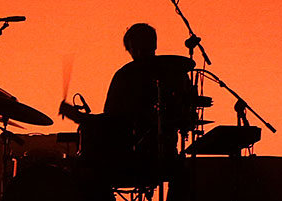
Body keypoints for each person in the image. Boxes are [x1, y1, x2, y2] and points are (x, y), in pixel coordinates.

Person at [60, 23, 197, 187]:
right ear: (129, 50)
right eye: (135, 49)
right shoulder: (126, 76)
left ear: (154, 45)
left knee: (185, 173)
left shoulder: (170, 74)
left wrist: (79, 118)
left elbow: (111, 119)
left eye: (143, 48)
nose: (139, 53)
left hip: (150, 154)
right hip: (129, 154)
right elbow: (112, 120)